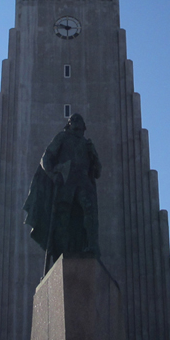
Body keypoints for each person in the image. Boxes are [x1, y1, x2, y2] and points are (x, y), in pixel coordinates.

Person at [23, 113, 101, 270]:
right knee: (62, 220)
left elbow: (97, 172)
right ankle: (60, 254)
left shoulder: (87, 145)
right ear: (70, 124)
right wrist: (52, 174)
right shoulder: (63, 138)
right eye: (74, 121)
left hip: (84, 185)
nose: (77, 125)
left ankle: (92, 247)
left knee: (89, 210)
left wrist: (94, 155)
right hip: (66, 184)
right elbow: (46, 159)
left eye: (80, 122)